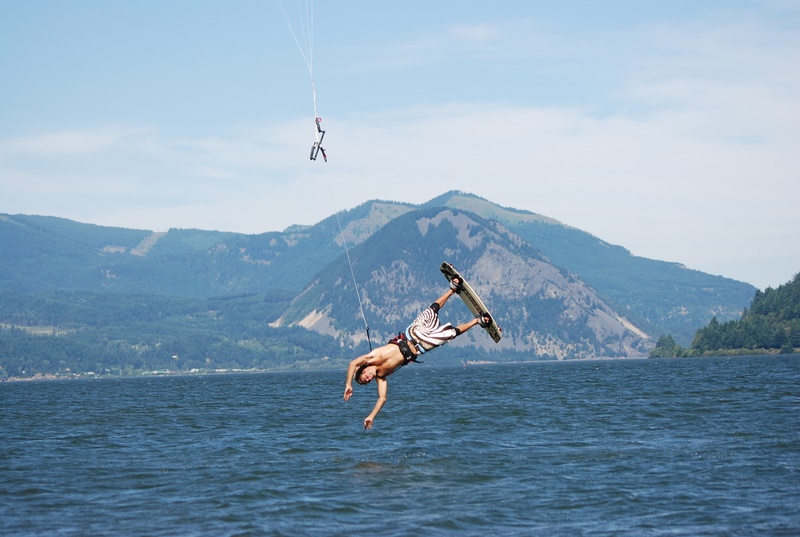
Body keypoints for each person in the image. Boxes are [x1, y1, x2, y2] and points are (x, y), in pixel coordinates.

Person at [343, 275, 492, 430]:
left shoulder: (371, 357)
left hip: (411, 334)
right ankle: (478, 321)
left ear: (364, 368)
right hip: (420, 348)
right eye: (367, 381)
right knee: (450, 334)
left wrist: (348, 385)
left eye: (365, 376)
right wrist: (371, 416)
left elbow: (352, 363)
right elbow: (382, 398)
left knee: (431, 311)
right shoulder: (381, 377)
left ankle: (452, 290)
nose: (369, 378)